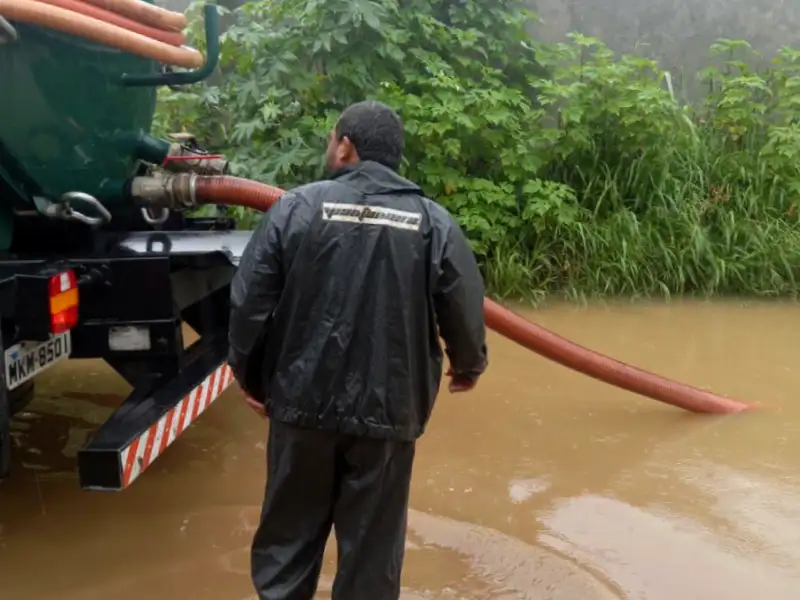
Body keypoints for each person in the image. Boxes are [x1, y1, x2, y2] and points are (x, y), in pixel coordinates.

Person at [227, 100, 488, 600]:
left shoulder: (296, 208)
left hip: (300, 408)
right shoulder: (433, 222)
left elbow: (248, 302)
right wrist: (468, 365)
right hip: (388, 414)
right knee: (371, 558)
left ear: (346, 145)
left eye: (332, 138)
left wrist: (253, 379)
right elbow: (463, 301)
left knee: (287, 546)